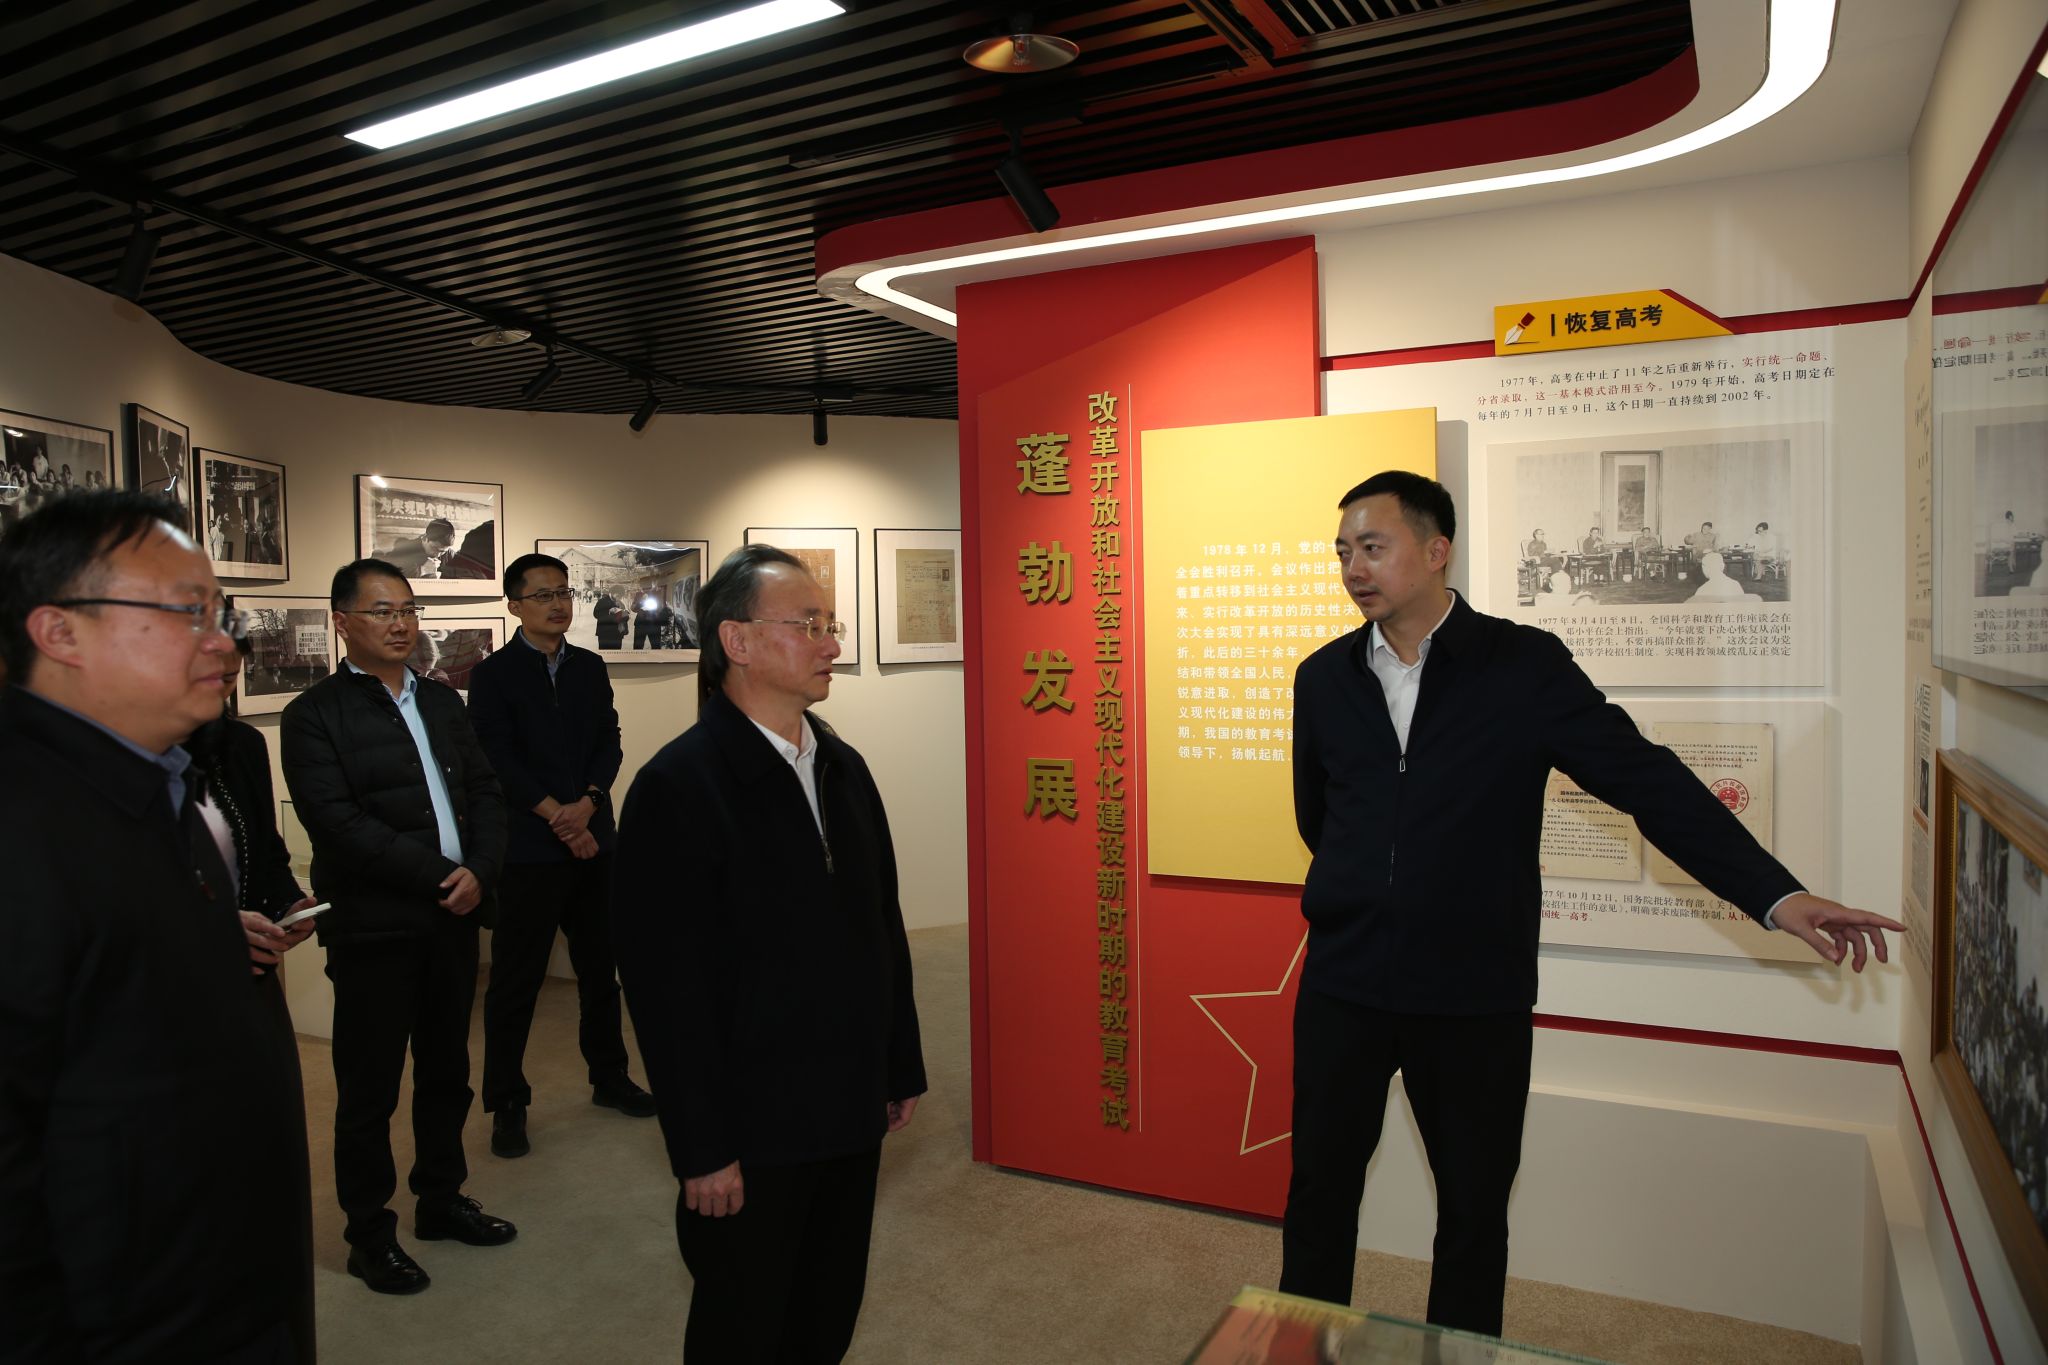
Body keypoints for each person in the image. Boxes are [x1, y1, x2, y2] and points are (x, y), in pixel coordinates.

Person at [1278, 470, 1902, 1336]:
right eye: (1343, 551)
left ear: (1436, 549)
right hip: (1343, 986)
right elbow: (1321, 818)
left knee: (1472, 1213)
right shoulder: (1323, 678)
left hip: (1473, 994)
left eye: (1372, 547)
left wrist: (1775, 894)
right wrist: (1366, 888)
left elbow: (1646, 781)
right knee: (1319, 1197)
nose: (1354, 567)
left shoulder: (1522, 667)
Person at [0, 489, 312, 1361]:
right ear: (58, 631)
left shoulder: (158, 787)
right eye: (187, 613)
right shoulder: (26, 822)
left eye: (220, 614)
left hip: (212, 1276)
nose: (223, 643)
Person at [613, 545, 927, 1362]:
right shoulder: (680, 787)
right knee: (743, 1324)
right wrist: (702, 1147)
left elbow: (880, 927)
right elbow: (666, 989)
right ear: (738, 641)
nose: (832, 644)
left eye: (831, 623)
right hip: (752, 1126)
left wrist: (898, 1063)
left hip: (847, 1106)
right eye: (809, 625)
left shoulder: (844, 768)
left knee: (826, 1312)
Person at [281, 558, 512, 1296]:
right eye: (382, 611)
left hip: (454, 919)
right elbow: (338, 823)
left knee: (447, 1072)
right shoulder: (314, 714)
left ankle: (440, 1199)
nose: (401, 623)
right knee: (369, 1087)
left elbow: (486, 791)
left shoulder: (440, 700)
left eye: (408, 609)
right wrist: (443, 876)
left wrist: (481, 869)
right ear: (342, 622)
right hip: (375, 927)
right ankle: (368, 1234)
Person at [468, 552, 652, 1162]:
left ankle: (609, 1076)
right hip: (529, 848)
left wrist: (588, 803)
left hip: (595, 839)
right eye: (543, 595)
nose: (558, 604)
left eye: (564, 593)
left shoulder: (589, 666)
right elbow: (495, 757)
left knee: (601, 969)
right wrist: (558, 816)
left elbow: (609, 740)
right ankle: (507, 1102)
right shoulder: (493, 675)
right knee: (515, 980)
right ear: (514, 605)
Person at [188, 642, 324, 1363]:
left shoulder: (237, 743)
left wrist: (285, 904)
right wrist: (209, 929)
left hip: (251, 986)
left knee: (264, 1174)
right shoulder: (88, 768)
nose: (226, 651)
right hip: (170, 1006)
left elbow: (261, 851)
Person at [382, 516, 455, 578]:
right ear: (425, 538)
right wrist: (423, 570)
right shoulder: (405, 548)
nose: (437, 555)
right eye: (434, 548)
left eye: (442, 552)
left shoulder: (449, 554)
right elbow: (388, 572)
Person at [593, 586, 629, 650]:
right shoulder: (602, 601)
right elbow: (596, 614)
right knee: (604, 653)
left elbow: (626, 617)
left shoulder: (620, 603)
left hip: (617, 634)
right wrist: (609, 612)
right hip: (605, 633)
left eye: (620, 596)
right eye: (618, 595)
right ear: (612, 593)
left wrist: (625, 614)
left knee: (616, 653)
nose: (619, 598)